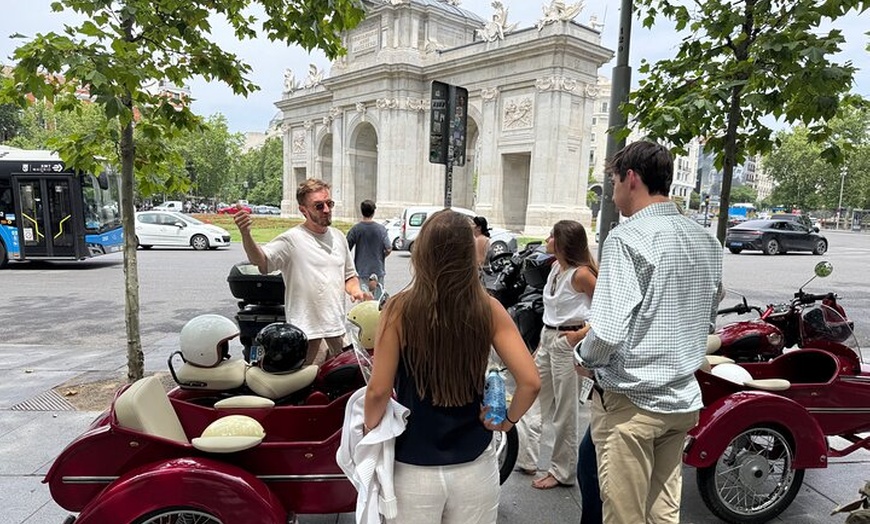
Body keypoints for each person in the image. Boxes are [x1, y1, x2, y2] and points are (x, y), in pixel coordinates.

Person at [577, 141, 723, 524]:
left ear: (631, 178)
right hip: (681, 401)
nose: (612, 192)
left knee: (624, 516)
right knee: (663, 512)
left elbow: (606, 333)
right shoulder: (706, 239)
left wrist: (583, 359)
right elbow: (708, 320)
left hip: (633, 403)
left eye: (612, 181)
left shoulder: (627, 238)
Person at [364, 209, 541, 524]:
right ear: (468, 252)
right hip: (473, 465)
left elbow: (378, 390)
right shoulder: (488, 308)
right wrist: (508, 422)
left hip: (411, 466)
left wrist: (367, 433)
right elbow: (530, 381)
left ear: (422, 251)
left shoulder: (398, 309)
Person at [233, 178, 372, 366]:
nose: (326, 209)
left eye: (329, 203)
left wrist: (356, 291)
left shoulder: (339, 237)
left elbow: (349, 276)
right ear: (303, 210)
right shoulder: (291, 240)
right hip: (307, 332)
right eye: (319, 206)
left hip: (337, 329)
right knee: (309, 390)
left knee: (342, 385)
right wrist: (246, 234)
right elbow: (261, 260)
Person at [515, 220, 597, 490]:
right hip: (549, 337)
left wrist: (578, 335)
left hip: (568, 341)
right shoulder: (554, 268)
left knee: (565, 410)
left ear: (563, 242)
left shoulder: (582, 274)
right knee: (532, 397)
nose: (548, 239)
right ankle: (526, 457)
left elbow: (607, 312)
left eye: (552, 236)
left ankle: (563, 472)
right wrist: (541, 343)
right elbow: (550, 313)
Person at [346, 199, 391, 287]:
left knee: (363, 299)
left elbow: (346, 248)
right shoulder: (381, 229)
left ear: (362, 211)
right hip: (378, 270)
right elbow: (389, 248)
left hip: (361, 270)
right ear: (374, 212)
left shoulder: (356, 229)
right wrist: (381, 256)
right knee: (378, 298)